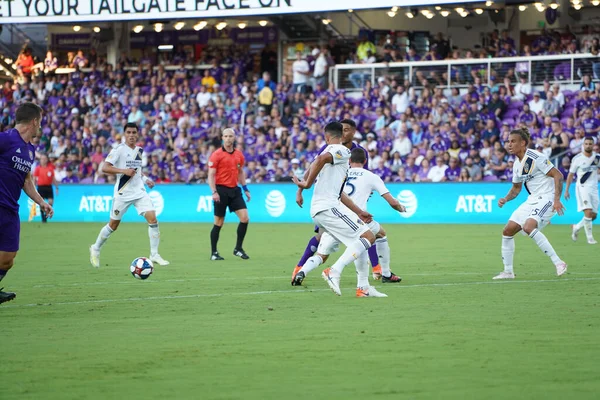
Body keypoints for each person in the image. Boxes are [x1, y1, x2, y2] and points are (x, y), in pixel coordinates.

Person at [292, 148, 405, 288]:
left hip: (334, 217)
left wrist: (300, 190)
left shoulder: (341, 172)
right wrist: (401, 208)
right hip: (355, 218)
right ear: (365, 161)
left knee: (322, 255)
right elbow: (392, 202)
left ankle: (302, 271)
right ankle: (383, 274)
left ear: (349, 160)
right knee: (377, 235)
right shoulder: (371, 176)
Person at [292, 122, 381, 297]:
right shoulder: (341, 151)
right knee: (369, 236)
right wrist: (306, 185)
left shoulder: (331, 155)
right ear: (340, 135)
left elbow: (340, 193)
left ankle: (363, 288)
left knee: (360, 240)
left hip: (327, 207)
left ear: (325, 136)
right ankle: (334, 271)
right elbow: (320, 159)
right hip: (328, 207)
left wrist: (359, 211)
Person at [89, 123, 169, 268]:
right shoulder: (118, 150)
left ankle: (154, 254)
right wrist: (123, 171)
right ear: (125, 134)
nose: (131, 135)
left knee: (153, 219)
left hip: (139, 192)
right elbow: (105, 168)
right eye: (129, 132)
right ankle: (95, 248)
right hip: (122, 193)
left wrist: (145, 179)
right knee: (113, 225)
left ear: (137, 134)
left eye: (134, 132)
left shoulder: (139, 150)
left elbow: (137, 171)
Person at [495, 127, 567, 280]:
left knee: (528, 227)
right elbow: (516, 188)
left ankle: (559, 262)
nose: (509, 144)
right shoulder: (516, 164)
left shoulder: (535, 157)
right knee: (507, 231)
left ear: (523, 143)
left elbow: (558, 175)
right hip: (532, 200)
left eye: (513, 141)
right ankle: (508, 272)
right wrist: (505, 199)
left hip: (547, 198)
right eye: (508, 142)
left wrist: (556, 200)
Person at [0, 102, 53, 304]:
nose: (41, 126)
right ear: (33, 121)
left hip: (11, 209)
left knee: (8, 257)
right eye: (40, 121)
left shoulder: (30, 150)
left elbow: (26, 180)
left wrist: (41, 202)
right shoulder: (5, 140)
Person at [208, 128, 251, 261]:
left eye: (230, 136)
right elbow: (211, 175)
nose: (228, 139)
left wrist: (245, 189)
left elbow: (240, 172)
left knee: (245, 218)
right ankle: (214, 253)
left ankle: (238, 248)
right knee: (219, 222)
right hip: (221, 191)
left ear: (234, 138)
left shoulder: (239, 155)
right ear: (222, 138)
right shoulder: (216, 155)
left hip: (235, 190)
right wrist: (214, 192)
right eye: (225, 136)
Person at [565, 137, 599, 244]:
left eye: (590, 144)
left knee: (593, 216)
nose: (588, 145)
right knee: (588, 212)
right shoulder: (577, 158)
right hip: (582, 187)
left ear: (593, 145)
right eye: (586, 144)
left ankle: (576, 227)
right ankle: (590, 238)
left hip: (594, 188)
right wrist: (566, 190)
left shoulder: (597, 158)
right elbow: (570, 175)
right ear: (583, 145)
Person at [32, 154, 59, 223]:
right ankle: (43, 218)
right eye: (42, 159)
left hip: (48, 187)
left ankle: (46, 213)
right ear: (40, 160)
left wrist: (56, 187)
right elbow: (34, 179)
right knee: (42, 203)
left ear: (47, 160)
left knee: (50, 202)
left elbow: (53, 179)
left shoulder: (50, 168)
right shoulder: (38, 168)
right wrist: (33, 188)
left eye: (44, 159)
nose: (43, 160)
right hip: (41, 187)